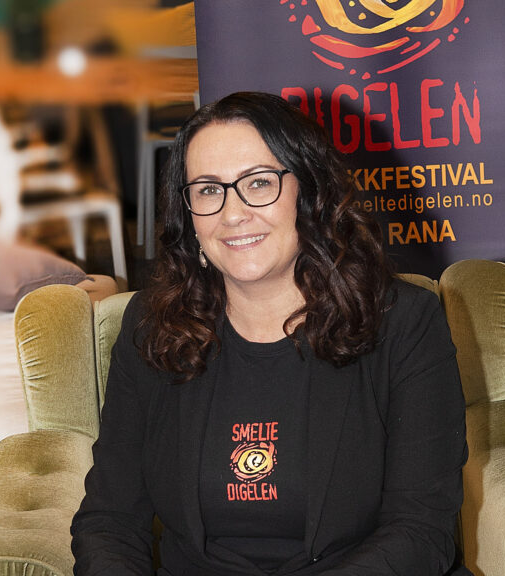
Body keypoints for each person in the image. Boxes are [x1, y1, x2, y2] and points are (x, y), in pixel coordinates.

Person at [71, 92, 471, 575]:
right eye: (208, 189)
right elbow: (110, 521)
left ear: (310, 193)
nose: (233, 213)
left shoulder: (404, 322)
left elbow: (421, 529)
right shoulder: (152, 326)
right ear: (188, 214)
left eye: (259, 182)